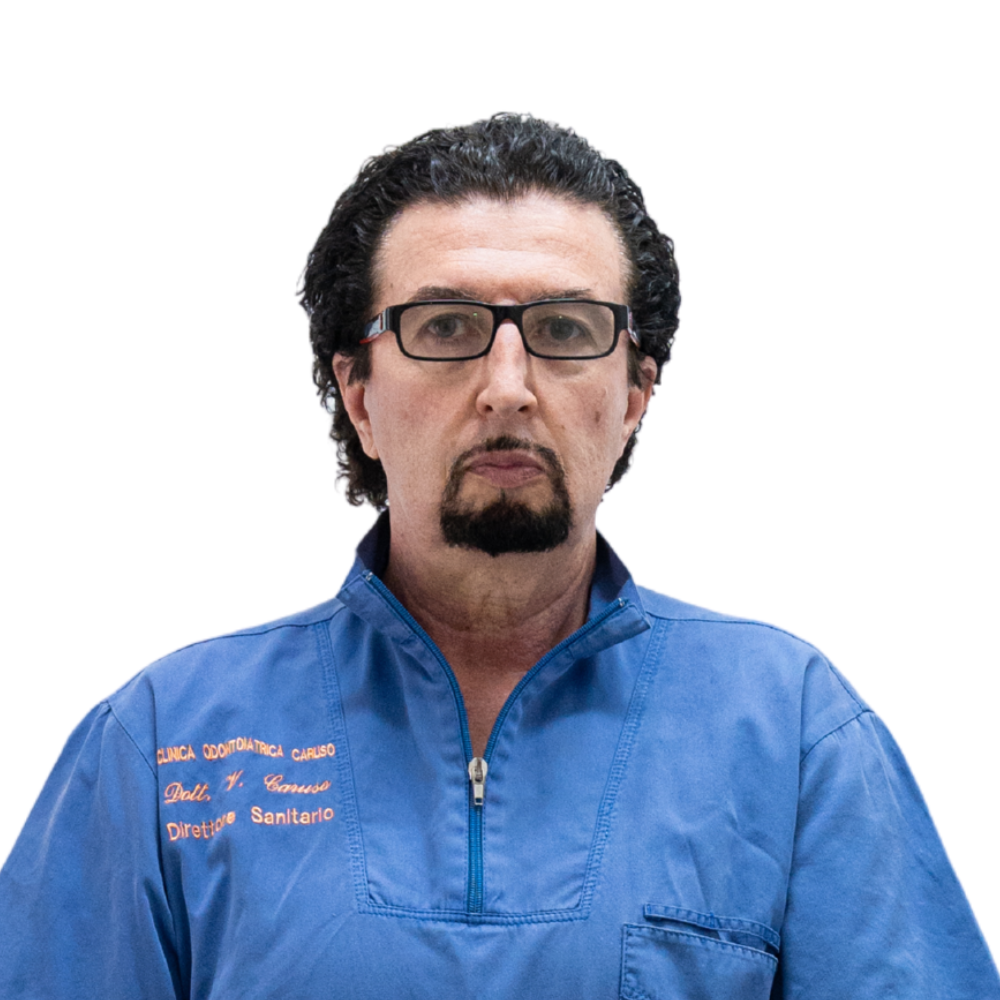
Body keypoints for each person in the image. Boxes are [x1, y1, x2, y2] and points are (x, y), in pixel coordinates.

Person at [0, 114, 996, 999]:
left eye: (564, 329)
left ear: (635, 392)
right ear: (357, 394)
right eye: (446, 328)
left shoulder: (791, 734)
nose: (508, 385)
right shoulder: (164, 745)